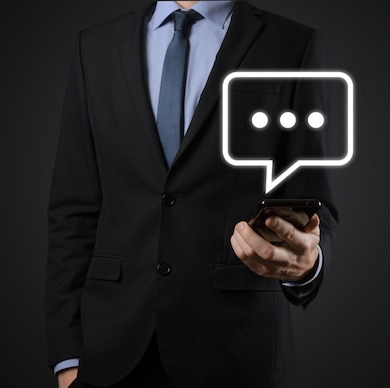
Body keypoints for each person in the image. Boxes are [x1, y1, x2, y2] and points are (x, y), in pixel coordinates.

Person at [45, 1, 338, 387]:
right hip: (109, 353)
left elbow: (313, 201)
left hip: (238, 353)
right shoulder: (94, 46)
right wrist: (67, 358)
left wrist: (306, 265)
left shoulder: (293, 43)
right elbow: (73, 211)